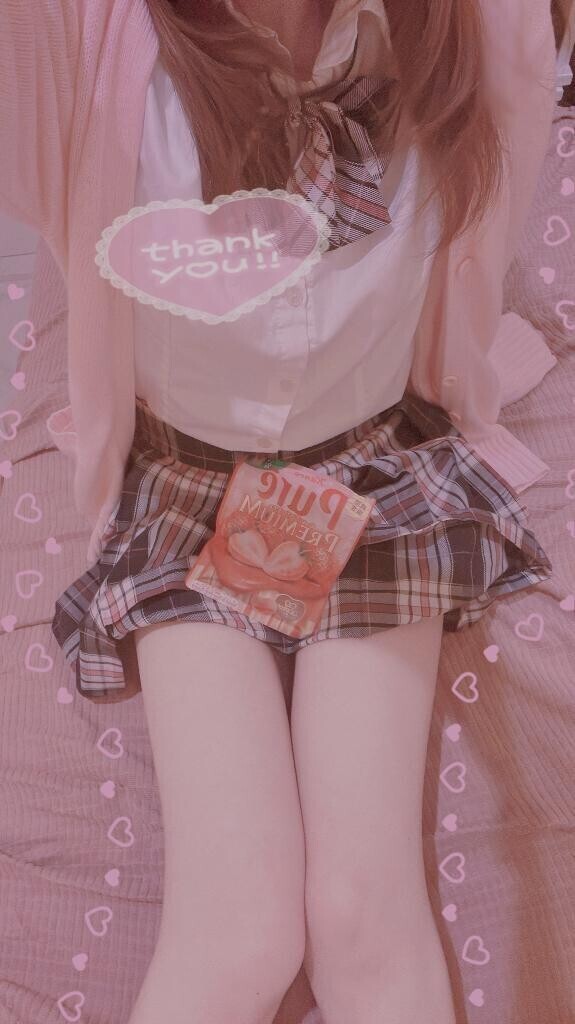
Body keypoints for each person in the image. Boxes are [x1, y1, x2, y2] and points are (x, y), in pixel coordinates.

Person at [1, 1, 556, 1022]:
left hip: (374, 474)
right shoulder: (79, 43)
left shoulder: (466, 27)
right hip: (181, 482)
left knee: (361, 916)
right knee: (239, 931)